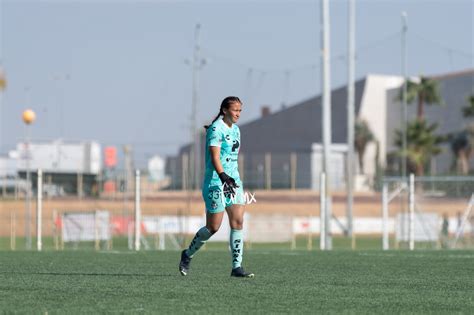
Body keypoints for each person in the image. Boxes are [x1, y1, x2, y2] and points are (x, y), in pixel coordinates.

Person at [179, 96, 254, 278]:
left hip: (233, 181)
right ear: (224, 110)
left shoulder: (236, 130)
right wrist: (223, 176)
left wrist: (232, 179)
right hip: (216, 182)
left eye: (240, 111)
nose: (238, 114)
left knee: (238, 221)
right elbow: (215, 157)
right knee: (213, 227)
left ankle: (237, 267)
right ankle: (187, 254)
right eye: (235, 110)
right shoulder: (215, 129)